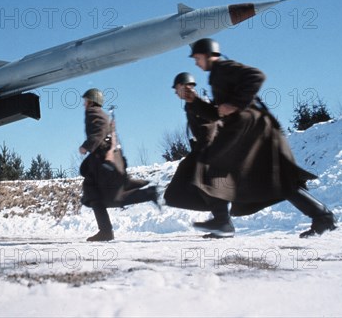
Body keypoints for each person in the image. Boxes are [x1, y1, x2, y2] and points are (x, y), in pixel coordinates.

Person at [180, 38, 336, 238]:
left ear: (210, 55)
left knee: (212, 165)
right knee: (276, 179)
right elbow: (218, 113)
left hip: (252, 128)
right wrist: (194, 101)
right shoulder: (216, 76)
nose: (196, 63)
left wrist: (236, 103)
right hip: (247, 129)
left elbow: (256, 75)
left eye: (197, 58)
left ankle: (222, 222)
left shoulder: (225, 67)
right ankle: (323, 217)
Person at [79, 88, 158, 242]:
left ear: (91, 101)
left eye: (85, 101)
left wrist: (86, 146)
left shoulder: (93, 113)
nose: (84, 104)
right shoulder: (100, 114)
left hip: (101, 161)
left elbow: (98, 133)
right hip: (102, 160)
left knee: (105, 196)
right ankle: (106, 230)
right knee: (99, 195)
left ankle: (148, 192)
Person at [163, 72, 235, 238]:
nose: (175, 92)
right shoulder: (190, 104)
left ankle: (223, 223)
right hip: (203, 150)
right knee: (199, 186)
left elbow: (213, 121)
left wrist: (205, 150)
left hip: (210, 151)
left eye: (177, 88)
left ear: (185, 86)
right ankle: (223, 222)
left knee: (206, 185)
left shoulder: (199, 101)